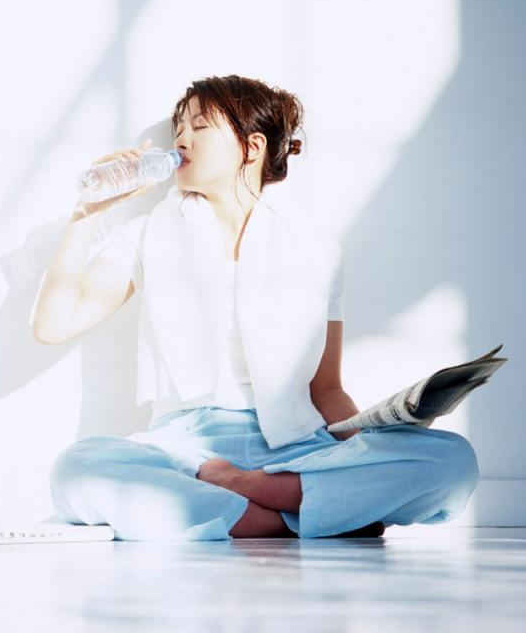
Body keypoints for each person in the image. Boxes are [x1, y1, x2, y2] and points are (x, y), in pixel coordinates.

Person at [30, 74, 479, 541]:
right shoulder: (149, 232)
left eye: (199, 127)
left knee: (452, 461)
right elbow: (53, 325)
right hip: (191, 454)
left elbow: (327, 391)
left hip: (295, 449)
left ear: (253, 146)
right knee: (77, 468)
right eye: (178, 128)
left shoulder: (316, 248)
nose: (181, 139)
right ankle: (297, 516)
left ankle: (247, 497)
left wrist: (373, 444)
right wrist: (88, 213)